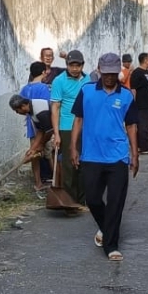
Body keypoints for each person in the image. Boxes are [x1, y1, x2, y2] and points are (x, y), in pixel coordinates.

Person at [71, 53, 139, 261]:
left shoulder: (126, 95)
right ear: (99, 70)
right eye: (106, 73)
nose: (109, 77)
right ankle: (105, 228)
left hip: (118, 156)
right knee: (92, 199)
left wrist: (134, 154)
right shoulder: (87, 91)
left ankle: (111, 245)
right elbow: (79, 120)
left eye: (113, 73)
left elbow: (131, 126)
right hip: (91, 155)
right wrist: (73, 148)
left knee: (116, 201)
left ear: (118, 71)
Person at [51, 49, 89, 207]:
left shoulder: (88, 80)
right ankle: (69, 200)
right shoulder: (59, 81)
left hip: (86, 127)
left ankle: (83, 199)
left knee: (85, 163)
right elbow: (55, 107)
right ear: (66, 65)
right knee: (69, 165)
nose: (75, 69)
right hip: (66, 127)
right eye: (71, 65)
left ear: (82, 65)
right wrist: (56, 133)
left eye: (77, 65)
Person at [9, 95, 54, 198]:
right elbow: (40, 131)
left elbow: (48, 131)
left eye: (17, 110)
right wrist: (32, 149)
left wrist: (41, 145)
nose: (17, 113)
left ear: (23, 106)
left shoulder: (39, 110)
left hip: (60, 129)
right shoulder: (31, 111)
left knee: (55, 156)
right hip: (49, 130)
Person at [19, 61, 52, 188]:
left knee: (34, 155)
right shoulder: (44, 88)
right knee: (49, 153)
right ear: (43, 72)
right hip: (43, 125)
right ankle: (56, 182)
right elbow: (47, 108)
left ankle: (38, 182)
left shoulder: (25, 88)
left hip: (31, 126)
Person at [130, 52, 148, 154]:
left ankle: (142, 146)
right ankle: (144, 148)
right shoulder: (137, 73)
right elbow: (133, 90)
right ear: (145, 60)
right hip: (142, 105)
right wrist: (133, 104)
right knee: (143, 127)